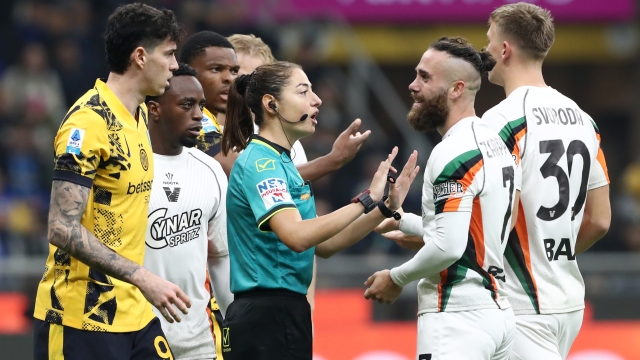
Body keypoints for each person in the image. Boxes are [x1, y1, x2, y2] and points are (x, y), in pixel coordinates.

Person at [221, 61, 419, 359]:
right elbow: (296, 236)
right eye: (303, 91)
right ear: (271, 104)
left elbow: (323, 245)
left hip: (287, 312)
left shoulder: (283, 162)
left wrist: (383, 206)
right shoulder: (261, 164)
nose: (317, 100)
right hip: (264, 317)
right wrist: (365, 198)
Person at [33, 4, 190, 359]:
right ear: (139, 57)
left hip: (134, 314)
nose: (175, 65)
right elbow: (61, 227)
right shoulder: (88, 123)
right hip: (80, 319)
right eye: (168, 54)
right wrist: (143, 276)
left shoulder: (138, 117)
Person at [366, 37, 517, 360]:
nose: (412, 86)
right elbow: (468, 232)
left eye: (424, 77)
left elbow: (449, 247)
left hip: (456, 316)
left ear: (456, 89)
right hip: (498, 313)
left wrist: (396, 278)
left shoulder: (452, 152)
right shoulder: (495, 144)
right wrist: (401, 218)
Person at [482, 3, 611, 359]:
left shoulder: (500, 121)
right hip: (568, 300)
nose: (486, 49)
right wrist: (552, 255)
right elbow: (600, 220)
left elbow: (495, 215)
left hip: (524, 300)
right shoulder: (584, 120)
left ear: (505, 50)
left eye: (489, 40)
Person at [182, 31, 371, 180]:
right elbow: (248, 176)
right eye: (236, 74)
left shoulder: (289, 144)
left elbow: (301, 219)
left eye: (255, 79)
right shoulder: (193, 123)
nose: (236, 83)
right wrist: (331, 161)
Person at [144, 63, 233, 359]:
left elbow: (220, 255)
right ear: (154, 109)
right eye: (187, 105)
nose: (199, 115)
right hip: (138, 332)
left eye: (201, 105)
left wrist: (234, 320)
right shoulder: (128, 169)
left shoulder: (211, 169)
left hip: (199, 336)